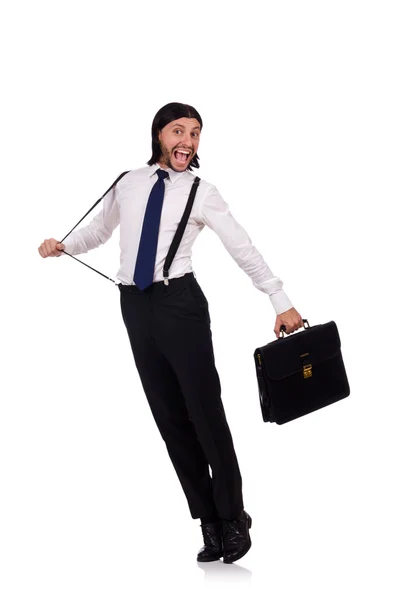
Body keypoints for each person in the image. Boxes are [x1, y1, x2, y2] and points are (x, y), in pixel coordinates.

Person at [38, 102, 303, 564]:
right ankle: (207, 521)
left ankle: (233, 516)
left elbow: (242, 246)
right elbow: (99, 231)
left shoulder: (202, 191)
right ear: (159, 134)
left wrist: (279, 299)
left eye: (196, 133)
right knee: (169, 417)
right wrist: (63, 245)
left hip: (180, 305)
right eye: (179, 131)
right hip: (134, 306)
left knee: (205, 413)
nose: (188, 140)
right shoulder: (128, 182)